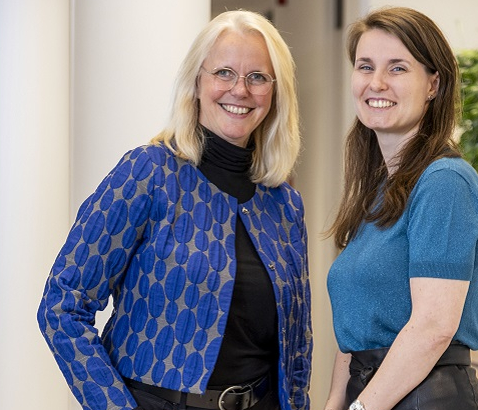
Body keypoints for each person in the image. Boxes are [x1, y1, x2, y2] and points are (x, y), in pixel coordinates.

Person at [37, 10, 311, 410]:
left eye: (257, 77)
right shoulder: (149, 172)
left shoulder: (285, 206)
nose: (240, 90)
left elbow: (298, 346)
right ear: (196, 82)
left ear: (275, 93)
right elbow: (62, 304)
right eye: (223, 73)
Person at [324, 7, 478, 410]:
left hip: (428, 397)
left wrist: (361, 409)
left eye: (397, 68)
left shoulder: (444, 182)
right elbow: (358, 328)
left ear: (433, 83)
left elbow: (433, 327)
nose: (376, 82)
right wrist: (335, 402)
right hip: (376, 392)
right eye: (366, 66)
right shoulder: (379, 191)